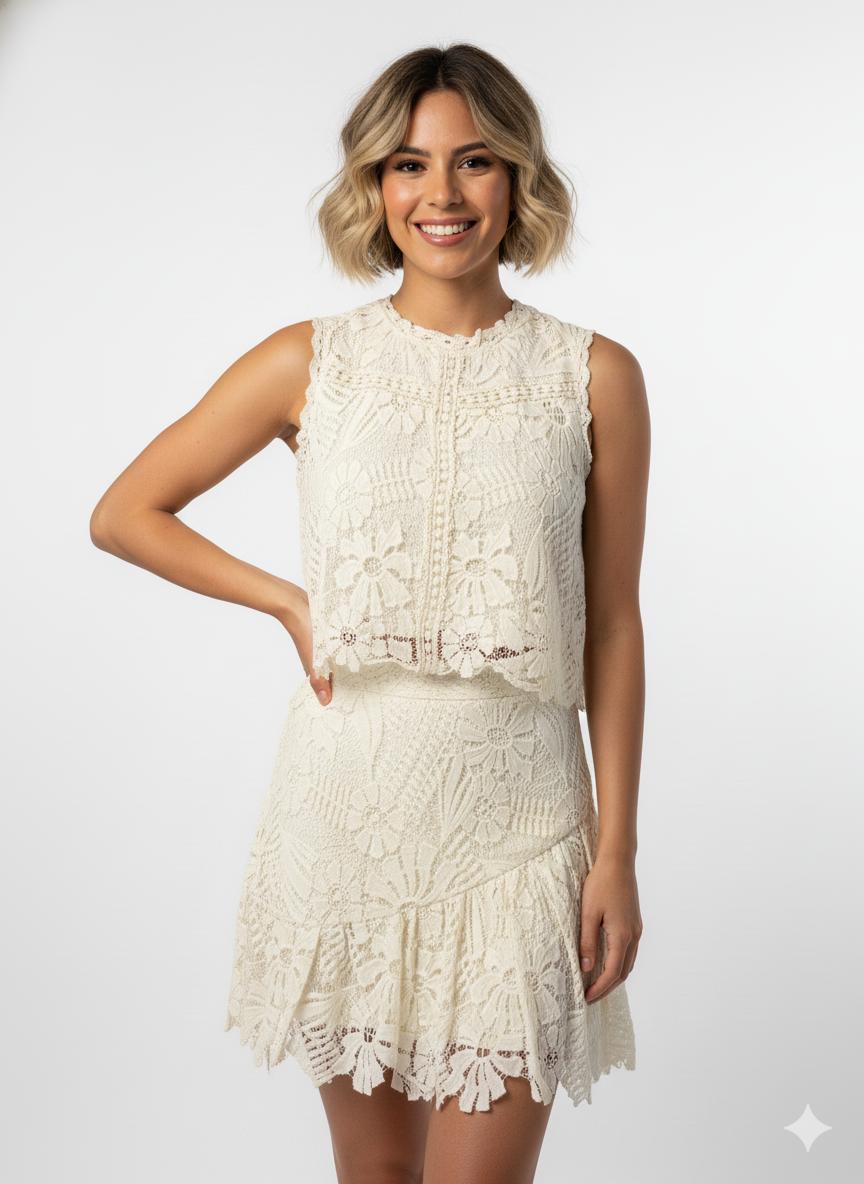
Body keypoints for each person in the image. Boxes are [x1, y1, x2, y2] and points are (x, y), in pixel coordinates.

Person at [90, 41, 649, 1184]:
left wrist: (617, 852)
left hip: (522, 828)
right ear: (375, 186)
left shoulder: (593, 375)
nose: (442, 194)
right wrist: (287, 602)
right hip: (345, 823)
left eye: (475, 161)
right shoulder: (310, 361)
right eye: (408, 164)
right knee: (377, 1175)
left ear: (519, 178)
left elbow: (613, 624)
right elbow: (125, 512)